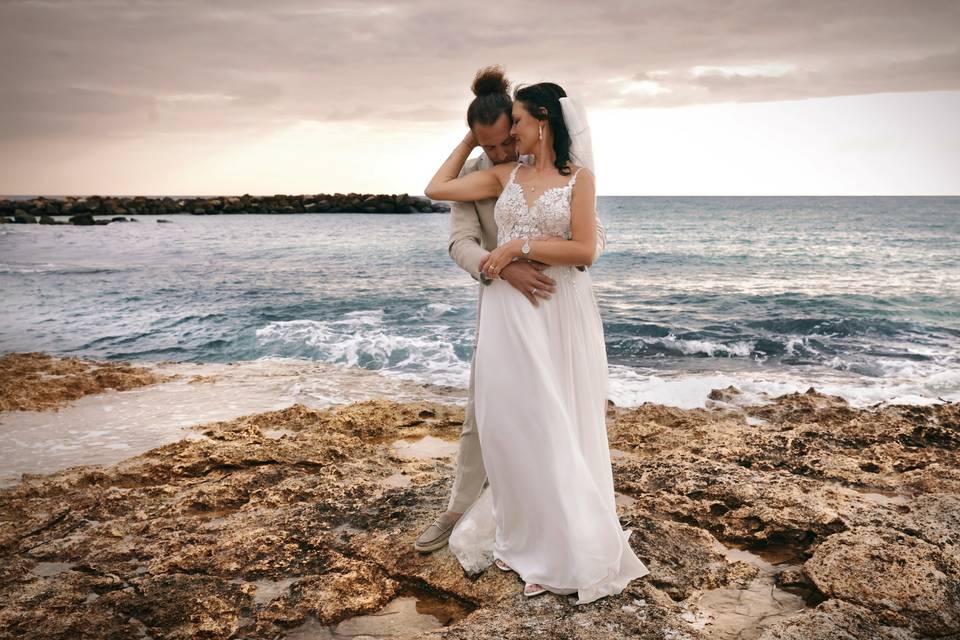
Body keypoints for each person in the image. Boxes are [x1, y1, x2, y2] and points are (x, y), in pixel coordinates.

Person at [423, 74, 650, 604]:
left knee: (555, 417)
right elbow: (437, 191)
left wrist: (520, 246)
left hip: (553, 309)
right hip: (505, 313)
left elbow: (587, 250)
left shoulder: (579, 177)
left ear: (540, 120)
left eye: (517, 126)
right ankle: (521, 530)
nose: (511, 138)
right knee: (507, 419)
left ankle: (560, 542)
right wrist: (470, 140)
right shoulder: (500, 173)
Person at [414, 66, 606, 554]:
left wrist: (525, 251)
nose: (500, 152)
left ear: (525, 124)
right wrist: (499, 267)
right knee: (486, 409)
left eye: (505, 139)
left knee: (552, 406)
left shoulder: (565, 172)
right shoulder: (484, 174)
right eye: (488, 146)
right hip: (501, 301)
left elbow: (591, 240)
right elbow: (460, 240)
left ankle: (551, 510)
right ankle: (460, 507)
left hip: (551, 297)